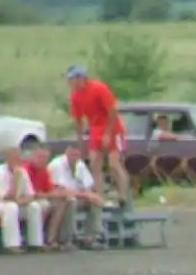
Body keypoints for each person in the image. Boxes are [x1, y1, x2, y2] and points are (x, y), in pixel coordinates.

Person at [65, 64, 132, 209]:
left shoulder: (98, 88)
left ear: (82, 78)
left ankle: (123, 196)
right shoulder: (75, 96)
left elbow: (112, 110)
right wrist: (80, 141)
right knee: (95, 162)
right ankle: (99, 197)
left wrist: (108, 133)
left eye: (74, 79)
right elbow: (78, 120)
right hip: (95, 128)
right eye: (70, 80)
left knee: (114, 163)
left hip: (113, 127)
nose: (72, 83)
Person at [0, 148, 43, 253]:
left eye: (20, 158)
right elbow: (8, 198)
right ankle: (12, 245)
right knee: (11, 207)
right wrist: (16, 180)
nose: (19, 161)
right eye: (16, 159)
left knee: (34, 206)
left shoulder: (22, 172)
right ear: (8, 159)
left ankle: (36, 243)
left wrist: (20, 201)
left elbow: (30, 196)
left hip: (15, 204)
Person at [48, 144, 106, 249]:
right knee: (71, 201)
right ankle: (66, 239)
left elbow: (87, 186)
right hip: (59, 199)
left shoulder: (80, 165)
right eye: (73, 155)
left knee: (95, 201)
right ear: (67, 153)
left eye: (77, 155)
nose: (75, 158)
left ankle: (91, 238)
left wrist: (92, 196)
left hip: (77, 196)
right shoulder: (56, 165)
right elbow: (61, 191)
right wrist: (85, 194)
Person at [24, 146, 76, 249]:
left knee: (68, 201)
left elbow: (49, 189)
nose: (42, 160)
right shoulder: (25, 170)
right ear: (32, 157)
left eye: (45, 158)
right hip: (27, 201)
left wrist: (60, 193)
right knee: (50, 204)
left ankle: (63, 239)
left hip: (42, 199)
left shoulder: (44, 170)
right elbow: (33, 194)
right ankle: (48, 240)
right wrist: (52, 194)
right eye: (40, 157)